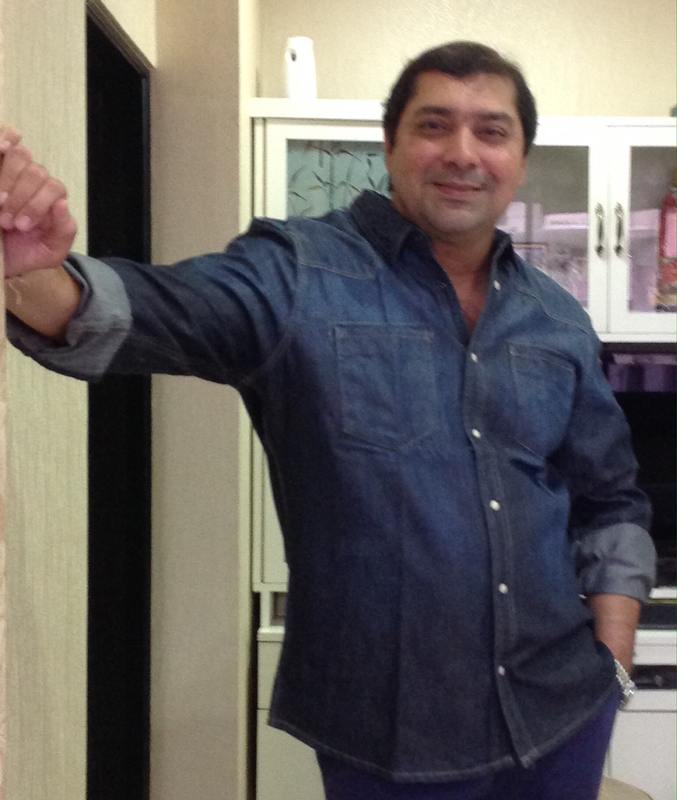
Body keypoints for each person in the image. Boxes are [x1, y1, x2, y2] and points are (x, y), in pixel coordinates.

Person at [0, 41, 655, 800]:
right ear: (390, 144)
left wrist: (611, 660)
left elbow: (610, 498)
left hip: (560, 718)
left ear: (520, 159)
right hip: (388, 743)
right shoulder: (296, 273)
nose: (462, 152)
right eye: (433, 125)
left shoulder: (557, 319)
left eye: (491, 131)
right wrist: (34, 273)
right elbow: (151, 311)